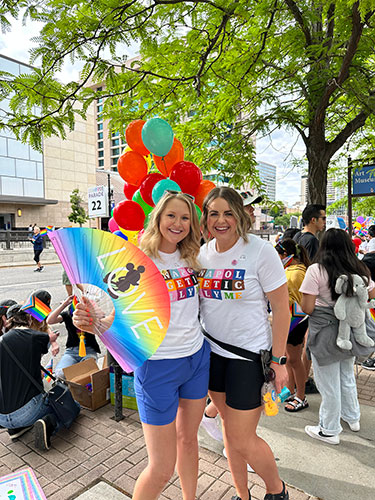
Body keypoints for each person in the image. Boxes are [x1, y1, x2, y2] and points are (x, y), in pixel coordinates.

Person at [73, 191, 210, 500]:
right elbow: (105, 311)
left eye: (185, 217)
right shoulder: (137, 258)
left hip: (197, 359)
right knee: (162, 467)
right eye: (171, 216)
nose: (178, 223)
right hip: (156, 365)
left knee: (189, 441)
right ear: (158, 218)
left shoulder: (193, 258)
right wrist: (86, 319)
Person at [199, 187, 290, 500]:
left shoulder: (260, 251)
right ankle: (242, 494)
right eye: (214, 213)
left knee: (241, 437)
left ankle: (276, 491)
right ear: (205, 218)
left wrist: (279, 361)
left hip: (248, 358)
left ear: (239, 215)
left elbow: (281, 308)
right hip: (212, 355)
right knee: (229, 429)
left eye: (227, 213)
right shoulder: (201, 254)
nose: (221, 220)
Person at [300, 228, 375, 444]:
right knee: (346, 375)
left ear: (323, 245)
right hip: (350, 331)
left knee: (328, 383)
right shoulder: (359, 267)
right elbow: (371, 294)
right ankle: (352, 418)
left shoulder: (316, 269)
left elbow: (307, 307)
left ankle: (329, 430)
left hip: (325, 332)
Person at [0, 304, 79, 450]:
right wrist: (52, 338)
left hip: (2, 418)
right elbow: (48, 338)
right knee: (70, 406)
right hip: (27, 411)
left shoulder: (2, 340)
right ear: (30, 319)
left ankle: (16, 429)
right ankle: (50, 424)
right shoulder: (33, 336)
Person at [275, 239, 310, 412]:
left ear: (286, 255)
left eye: (278, 255)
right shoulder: (294, 270)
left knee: (294, 359)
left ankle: (301, 396)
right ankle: (291, 390)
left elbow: (294, 299)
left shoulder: (295, 273)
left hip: (296, 320)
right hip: (293, 319)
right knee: (289, 358)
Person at [48, 295, 100, 378]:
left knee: (88, 372)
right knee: (60, 374)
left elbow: (102, 323)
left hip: (89, 351)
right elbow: (50, 320)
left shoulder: (90, 317)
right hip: (71, 352)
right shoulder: (68, 315)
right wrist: (64, 304)